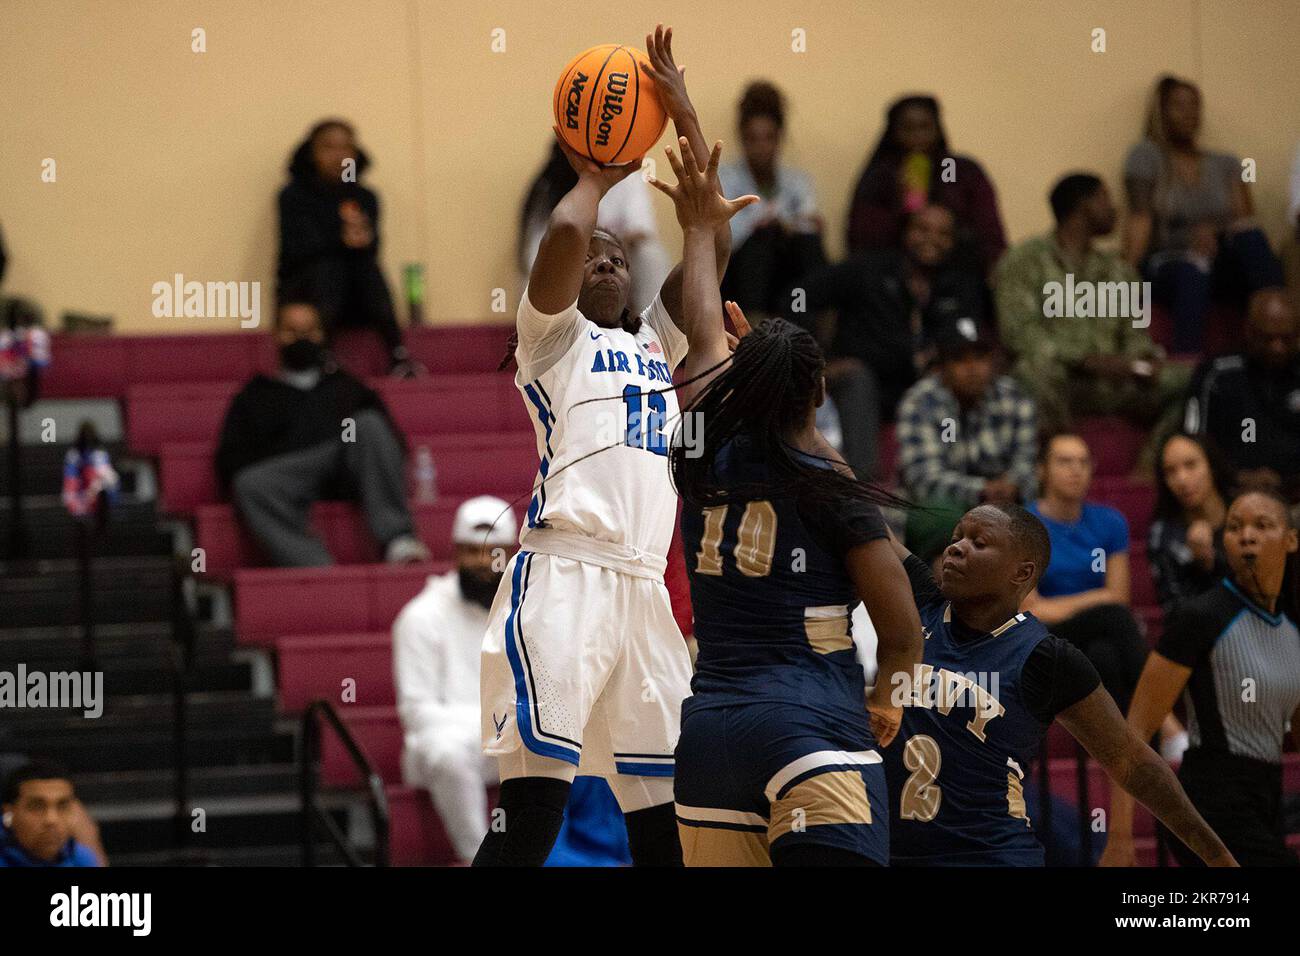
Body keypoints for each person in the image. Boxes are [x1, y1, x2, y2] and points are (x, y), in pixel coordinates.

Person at [474, 25, 751, 867]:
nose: (602, 258)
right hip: (563, 578)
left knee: (666, 827)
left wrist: (686, 118)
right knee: (531, 822)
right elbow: (562, 235)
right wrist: (595, 177)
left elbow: (709, 241)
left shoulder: (660, 342)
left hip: (642, 594)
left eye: (616, 254)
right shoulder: (550, 343)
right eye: (592, 256)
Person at [656, 135, 924, 865]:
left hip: (711, 742)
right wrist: (887, 700)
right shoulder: (835, 488)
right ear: (820, 393)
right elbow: (901, 632)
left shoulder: (696, 449)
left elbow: (703, 323)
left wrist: (697, 227)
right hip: (813, 732)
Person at [882, 506, 1233, 866]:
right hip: (894, 853)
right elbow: (866, 519)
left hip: (989, 856)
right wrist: (819, 449)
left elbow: (1131, 761)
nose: (956, 548)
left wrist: (1217, 856)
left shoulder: (1044, 657)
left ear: (1022, 572)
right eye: (956, 538)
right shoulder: (922, 603)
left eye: (979, 542)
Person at [1102, 490, 1299, 867]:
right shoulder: (1200, 617)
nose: (1246, 536)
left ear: (1291, 540)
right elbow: (1136, 730)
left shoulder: (1292, 629)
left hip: (1267, 801)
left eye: (1263, 525)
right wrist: (1120, 836)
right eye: (1235, 527)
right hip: (1207, 804)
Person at [215, 296, 429, 566]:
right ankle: (314, 565)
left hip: (345, 466)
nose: (302, 339)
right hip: (287, 475)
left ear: (322, 334)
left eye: (309, 331)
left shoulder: (347, 386)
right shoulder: (255, 395)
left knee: (370, 424)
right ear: (277, 335)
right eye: (292, 331)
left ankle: (399, 539)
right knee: (248, 484)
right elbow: (231, 460)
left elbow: (389, 442)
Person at [793, 202, 987, 479]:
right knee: (858, 379)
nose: (932, 239)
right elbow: (797, 297)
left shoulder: (961, 285)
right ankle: (859, 485)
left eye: (943, 233)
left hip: (923, 387)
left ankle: (948, 483)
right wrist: (817, 361)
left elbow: (968, 336)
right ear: (905, 233)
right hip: (864, 382)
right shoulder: (868, 269)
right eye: (922, 229)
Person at [1025, 433, 1186, 755]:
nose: (1076, 470)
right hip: (1048, 636)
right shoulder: (1026, 524)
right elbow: (1034, 609)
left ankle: (1121, 755)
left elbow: (1120, 594)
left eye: (1084, 462)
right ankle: (1165, 724)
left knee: (1105, 658)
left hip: (1099, 635)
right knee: (1113, 617)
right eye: (1065, 461)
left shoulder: (1110, 522)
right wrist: (1098, 599)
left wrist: (1103, 602)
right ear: (1042, 470)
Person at [996, 172, 1187, 440]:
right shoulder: (1024, 261)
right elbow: (1019, 333)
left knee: (1192, 379)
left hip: (1117, 382)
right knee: (1031, 371)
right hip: (1063, 380)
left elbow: (1135, 331)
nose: (1114, 209)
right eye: (1105, 198)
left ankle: (1153, 463)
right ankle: (1057, 460)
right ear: (1084, 205)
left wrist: (1140, 362)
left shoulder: (1117, 269)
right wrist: (1086, 360)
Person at [394, 496, 516, 863]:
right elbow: (417, 712)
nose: (483, 562)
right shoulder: (421, 615)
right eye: (472, 552)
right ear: (455, 552)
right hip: (446, 745)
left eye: (493, 552)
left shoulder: (524, 608)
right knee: (447, 752)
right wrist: (492, 726)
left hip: (510, 738)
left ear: (510, 552)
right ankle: (477, 857)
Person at [1122, 76, 1283, 354]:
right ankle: (1188, 368)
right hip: (1168, 261)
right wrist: (1123, 275)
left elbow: (1244, 221)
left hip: (1219, 258)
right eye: (1179, 106)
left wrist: (1214, 232)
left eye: (1195, 106)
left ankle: (1278, 333)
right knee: (1193, 270)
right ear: (1161, 111)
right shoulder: (1146, 156)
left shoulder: (1226, 163)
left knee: (1251, 240)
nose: (1189, 114)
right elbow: (1141, 219)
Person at [278, 118, 418, 377]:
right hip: (309, 293)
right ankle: (323, 354)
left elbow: (373, 249)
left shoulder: (365, 197)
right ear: (311, 153)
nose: (338, 156)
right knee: (329, 267)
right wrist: (340, 240)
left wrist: (362, 241)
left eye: (345, 147)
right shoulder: (293, 196)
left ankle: (398, 355)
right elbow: (296, 252)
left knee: (365, 266)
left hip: (357, 296)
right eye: (328, 147)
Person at [895, 316, 1036, 563]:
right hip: (941, 509)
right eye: (960, 359)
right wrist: (982, 490)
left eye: (980, 358)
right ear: (942, 366)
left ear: (992, 361)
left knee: (1038, 512)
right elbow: (923, 478)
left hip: (1006, 503)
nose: (972, 368)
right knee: (941, 515)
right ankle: (937, 594)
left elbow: (1027, 462)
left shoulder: (1014, 397)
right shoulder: (919, 402)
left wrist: (1012, 484)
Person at [847, 95, 1006, 274]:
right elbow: (863, 238)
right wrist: (900, 200)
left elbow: (987, 230)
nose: (918, 136)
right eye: (908, 128)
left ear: (937, 130)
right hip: (893, 274)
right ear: (894, 133)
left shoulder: (953, 167)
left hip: (957, 271)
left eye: (925, 127)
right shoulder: (881, 174)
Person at [519, 142, 671, 315]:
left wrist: (606, 257)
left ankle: (650, 329)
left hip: (615, 272)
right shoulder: (550, 187)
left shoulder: (626, 177)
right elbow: (536, 262)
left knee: (650, 254)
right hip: (567, 284)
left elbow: (642, 233)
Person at [716, 80, 826, 319]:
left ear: (779, 139)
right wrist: (769, 223)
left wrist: (779, 223)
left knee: (808, 244)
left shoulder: (798, 180)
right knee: (762, 241)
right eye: (752, 139)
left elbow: (809, 225)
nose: (761, 147)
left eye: (768, 138)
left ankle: (809, 327)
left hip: (786, 271)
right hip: (741, 275)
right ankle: (754, 327)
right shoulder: (725, 176)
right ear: (743, 140)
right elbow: (724, 236)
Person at [1184, 288, 1300, 501]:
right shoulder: (1217, 373)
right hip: (1228, 493)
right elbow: (1195, 441)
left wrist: (1287, 481)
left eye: (1287, 339)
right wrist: (1237, 477)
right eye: (1268, 338)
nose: (1277, 348)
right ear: (1249, 331)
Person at [1148, 433, 1232, 615]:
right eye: (1170, 471)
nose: (1182, 479)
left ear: (1212, 465)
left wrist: (1215, 562)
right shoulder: (1163, 534)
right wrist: (1201, 567)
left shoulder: (1245, 512)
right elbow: (1175, 612)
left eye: (1191, 465)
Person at [1, 761, 105, 867]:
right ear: (9, 813)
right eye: (37, 807)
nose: (51, 820)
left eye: (62, 806)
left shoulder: (81, 856)